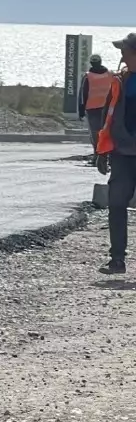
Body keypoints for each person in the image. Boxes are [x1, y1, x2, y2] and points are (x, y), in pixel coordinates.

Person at [96, 33, 136, 274]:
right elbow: (107, 117)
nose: (122, 55)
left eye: (126, 50)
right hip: (122, 153)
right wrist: (101, 152)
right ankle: (117, 260)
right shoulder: (119, 81)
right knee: (117, 204)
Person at [80, 54, 116, 160]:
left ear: (91, 63)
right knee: (107, 132)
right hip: (108, 108)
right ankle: (107, 155)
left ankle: (98, 156)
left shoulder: (88, 76)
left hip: (92, 108)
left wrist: (81, 110)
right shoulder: (110, 74)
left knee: (95, 134)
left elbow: (83, 94)